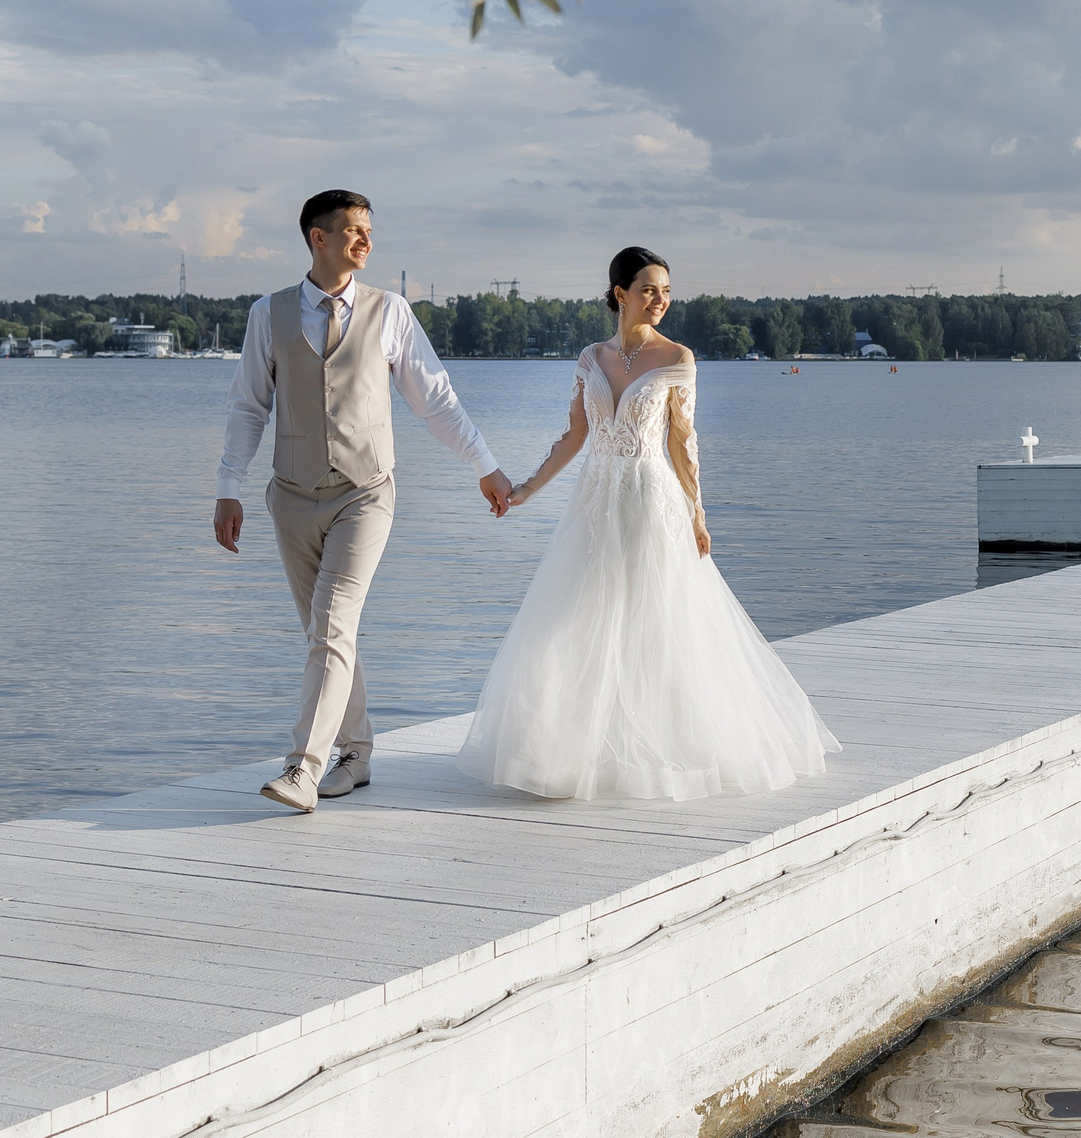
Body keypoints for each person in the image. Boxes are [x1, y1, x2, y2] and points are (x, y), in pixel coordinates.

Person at [455, 246, 839, 801]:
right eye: (649, 290)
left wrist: (697, 514)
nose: (660, 300)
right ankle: (575, 748)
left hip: (650, 497)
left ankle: (668, 749)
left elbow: (683, 444)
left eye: (665, 291)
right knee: (581, 615)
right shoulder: (590, 358)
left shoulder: (678, 358)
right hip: (594, 500)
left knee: (655, 617)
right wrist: (523, 492)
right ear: (620, 294)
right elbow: (575, 437)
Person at [214, 190, 514, 814]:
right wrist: (227, 487)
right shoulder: (267, 316)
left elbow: (434, 399)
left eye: (369, 231)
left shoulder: (391, 311)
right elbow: (249, 406)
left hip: (366, 492)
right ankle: (357, 753)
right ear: (316, 238)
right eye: (352, 230)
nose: (365, 241)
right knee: (327, 632)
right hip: (290, 497)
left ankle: (303, 767)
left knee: (331, 622)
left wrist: (484, 464)